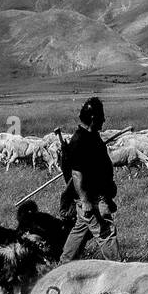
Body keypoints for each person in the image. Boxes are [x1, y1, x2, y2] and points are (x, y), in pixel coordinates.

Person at [58, 96, 118, 262]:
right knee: (105, 232)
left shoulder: (92, 136)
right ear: (93, 118)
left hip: (97, 196)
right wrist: (85, 201)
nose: (104, 119)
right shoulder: (80, 141)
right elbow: (77, 174)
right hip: (91, 198)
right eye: (101, 116)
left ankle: (64, 263)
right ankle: (119, 270)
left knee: (81, 229)